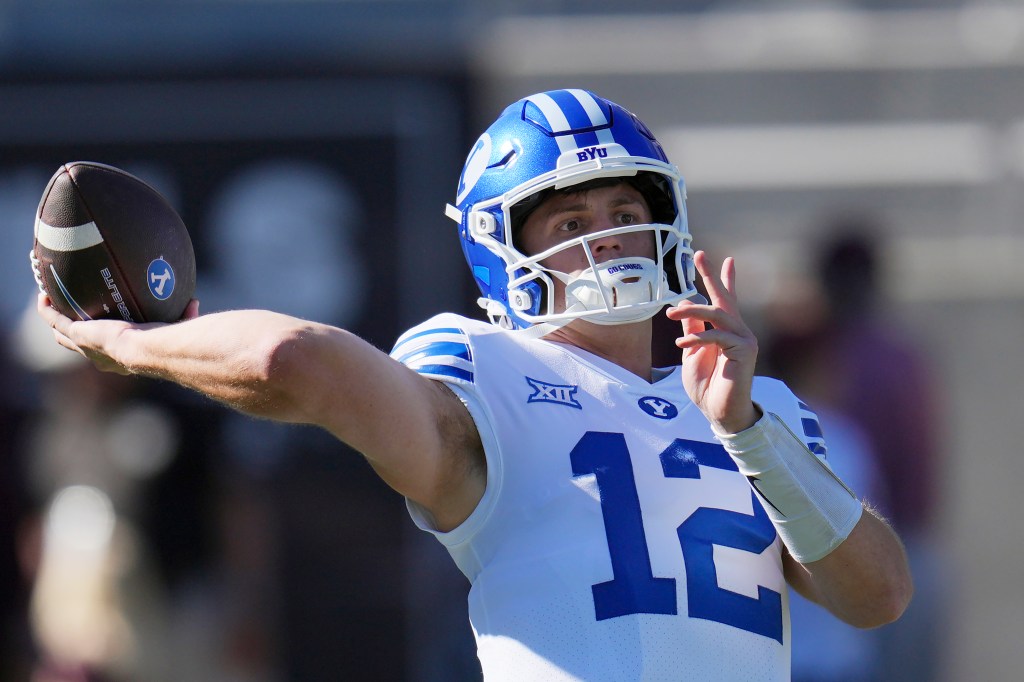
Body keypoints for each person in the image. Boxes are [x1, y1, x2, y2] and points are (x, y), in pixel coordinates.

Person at [35, 89, 912, 681]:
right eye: (571, 219)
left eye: (625, 213)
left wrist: (748, 429)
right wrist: (139, 342)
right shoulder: (489, 372)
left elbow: (877, 596)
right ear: (504, 247)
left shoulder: (758, 408)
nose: (607, 238)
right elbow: (289, 362)